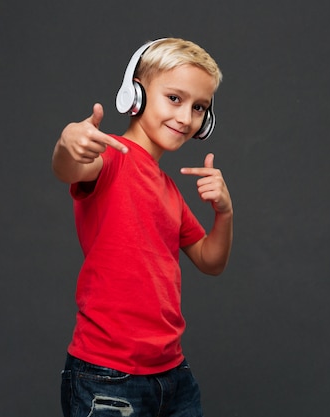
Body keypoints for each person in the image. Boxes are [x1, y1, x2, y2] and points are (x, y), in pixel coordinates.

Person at [52, 37, 233, 417]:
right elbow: (69, 168)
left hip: (172, 373)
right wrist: (69, 142)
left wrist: (224, 213)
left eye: (199, 107)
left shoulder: (168, 190)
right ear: (134, 95)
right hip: (107, 376)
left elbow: (210, 260)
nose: (186, 118)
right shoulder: (111, 155)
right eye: (174, 98)